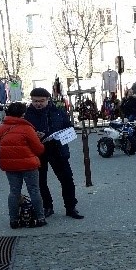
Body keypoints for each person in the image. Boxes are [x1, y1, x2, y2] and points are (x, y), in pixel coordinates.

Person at [24, 87, 84, 220]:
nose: (38, 104)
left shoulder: (58, 112)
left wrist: (51, 135)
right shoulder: (27, 115)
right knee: (40, 181)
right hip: (37, 150)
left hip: (58, 150)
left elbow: (69, 128)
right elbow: (23, 133)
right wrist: (34, 135)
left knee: (67, 179)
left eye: (41, 101)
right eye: (35, 101)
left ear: (48, 100)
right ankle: (47, 207)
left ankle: (70, 207)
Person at [0, 102, 46, 229]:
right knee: (34, 190)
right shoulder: (27, 128)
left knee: (14, 191)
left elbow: (2, 145)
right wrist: (38, 139)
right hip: (29, 164)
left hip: (10, 165)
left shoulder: (0, 128)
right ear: (23, 114)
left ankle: (13, 220)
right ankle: (40, 218)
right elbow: (39, 149)